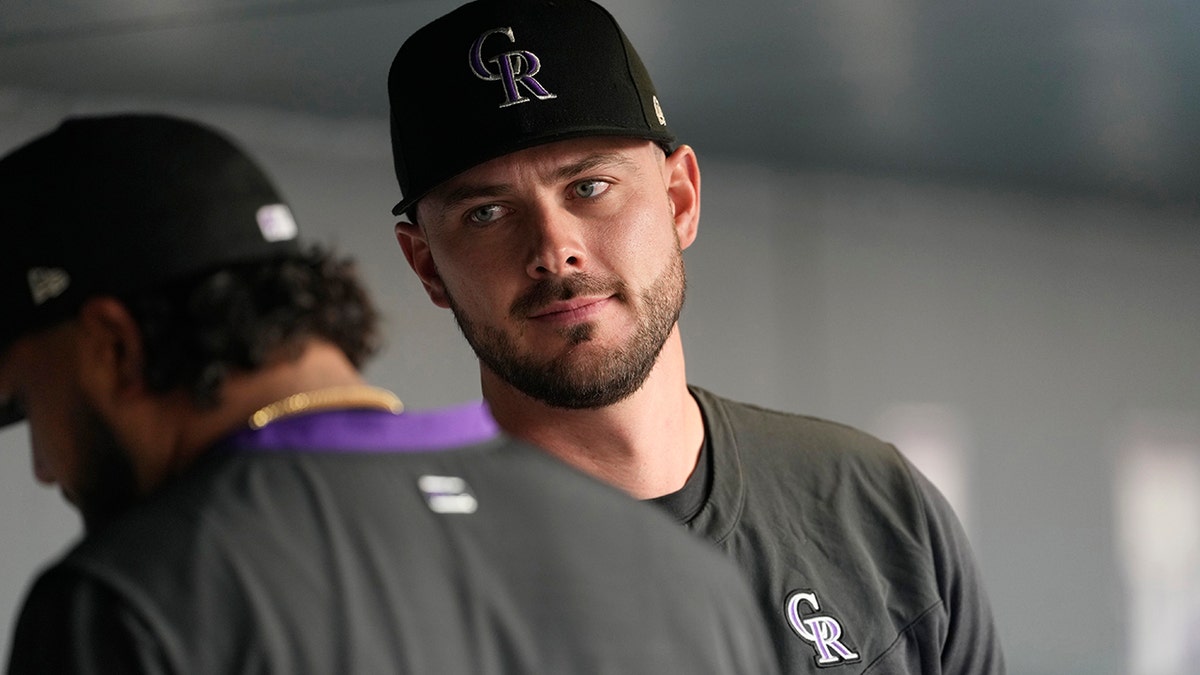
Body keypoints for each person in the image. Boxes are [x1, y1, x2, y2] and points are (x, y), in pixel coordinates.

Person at [0, 113, 782, 674]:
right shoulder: (674, 572)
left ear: (111, 347)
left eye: (31, 402)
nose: (42, 465)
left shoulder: (135, 595)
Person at [386, 0, 1006, 672]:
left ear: (680, 199)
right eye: (487, 212)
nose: (554, 248)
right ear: (427, 265)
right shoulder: (387, 592)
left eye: (590, 186)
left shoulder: (877, 510)